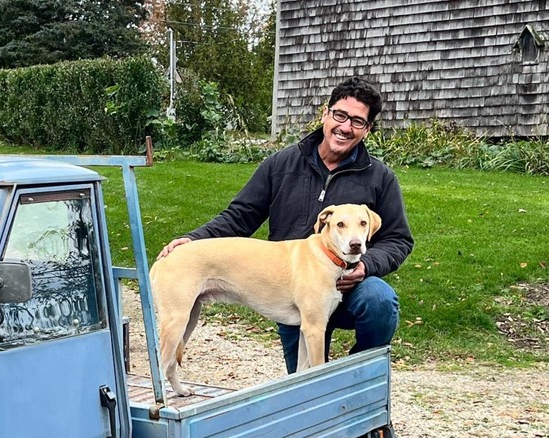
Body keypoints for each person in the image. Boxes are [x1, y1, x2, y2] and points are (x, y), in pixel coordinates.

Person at [157, 76, 414, 374]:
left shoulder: (380, 177)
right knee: (299, 383)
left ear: (367, 130)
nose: (345, 127)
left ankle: (358, 379)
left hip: (348, 287)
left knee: (380, 301)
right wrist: (193, 239)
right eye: (340, 115)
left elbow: (398, 240)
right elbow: (240, 216)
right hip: (291, 287)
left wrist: (365, 266)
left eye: (357, 121)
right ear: (326, 114)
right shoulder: (282, 164)